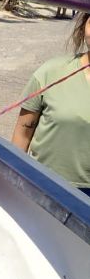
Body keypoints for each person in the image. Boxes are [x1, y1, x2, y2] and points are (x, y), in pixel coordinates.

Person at [11, 12, 90, 197]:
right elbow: (22, 132)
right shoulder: (51, 72)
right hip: (46, 185)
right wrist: (13, 180)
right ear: (83, 25)